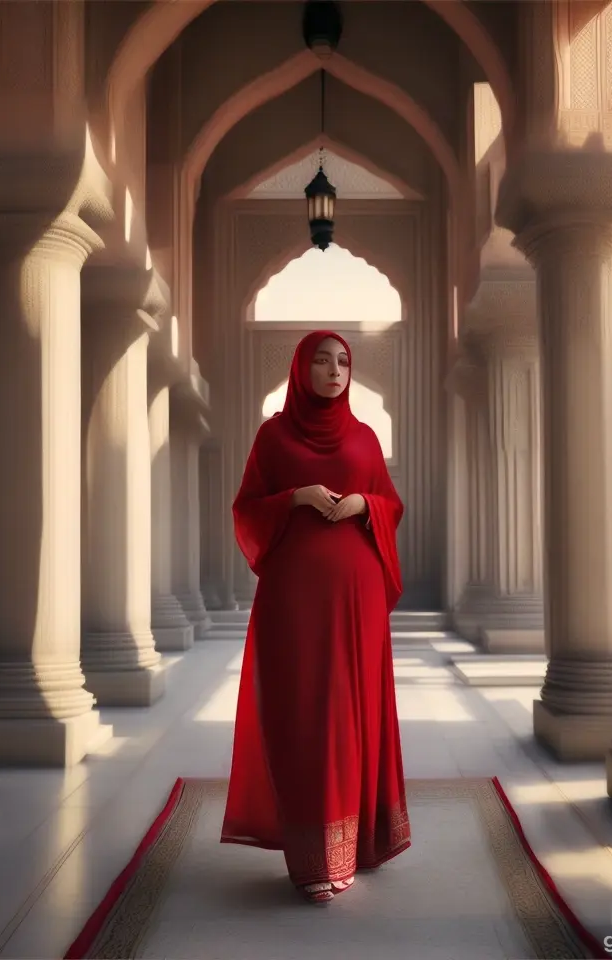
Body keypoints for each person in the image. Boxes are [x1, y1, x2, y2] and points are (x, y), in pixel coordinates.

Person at [220, 330, 411, 903]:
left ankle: (355, 845)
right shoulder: (273, 436)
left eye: (344, 360)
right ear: (301, 369)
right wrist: (296, 497)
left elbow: (391, 503)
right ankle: (312, 859)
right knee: (302, 711)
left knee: (351, 711)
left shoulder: (365, 437)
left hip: (358, 594)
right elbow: (247, 510)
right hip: (293, 598)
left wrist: (364, 504)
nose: (335, 370)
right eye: (322, 360)